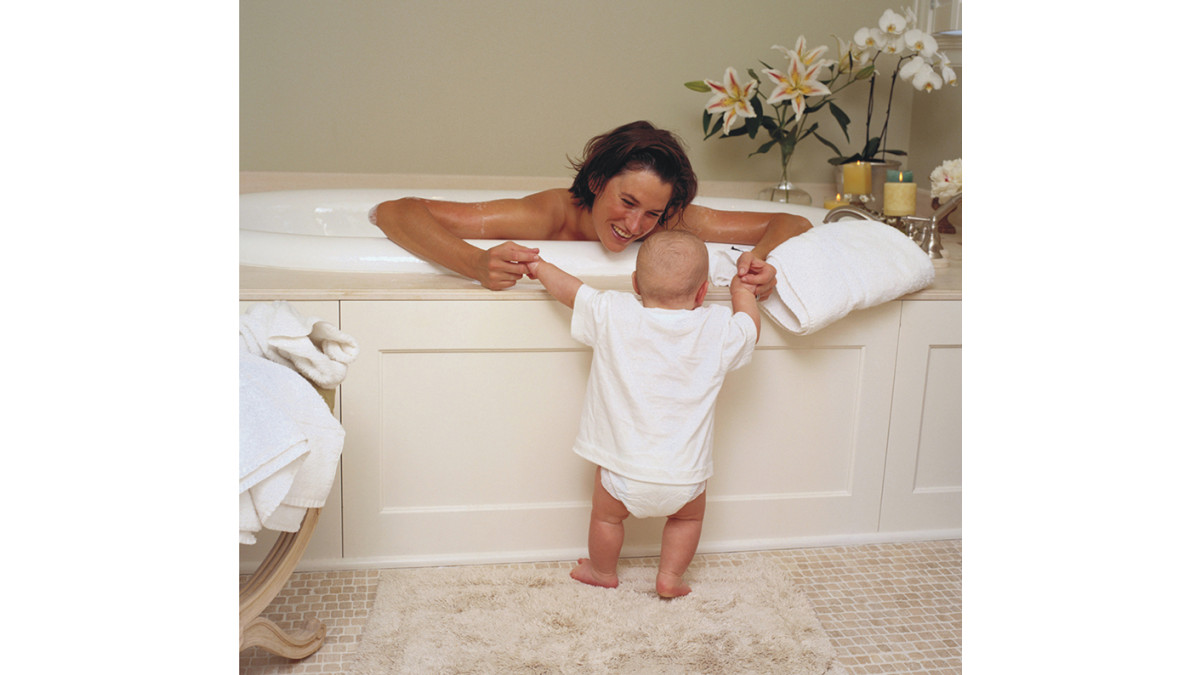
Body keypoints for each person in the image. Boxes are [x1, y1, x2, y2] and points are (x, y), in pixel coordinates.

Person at [527, 229, 761, 598]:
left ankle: (602, 571)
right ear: (702, 293)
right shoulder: (716, 327)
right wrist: (742, 292)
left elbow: (572, 291)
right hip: (685, 476)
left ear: (634, 284)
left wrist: (537, 265)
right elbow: (749, 329)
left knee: (606, 517)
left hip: (620, 471)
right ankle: (669, 577)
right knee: (688, 520)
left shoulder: (613, 313)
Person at [371, 120, 813, 299]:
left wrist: (759, 259)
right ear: (598, 181)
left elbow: (792, 220)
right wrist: (474, 262)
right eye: (627, 202)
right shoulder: (548, 215)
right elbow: (394, 212)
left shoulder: (672, 220)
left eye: (652, 214)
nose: (635, 226)